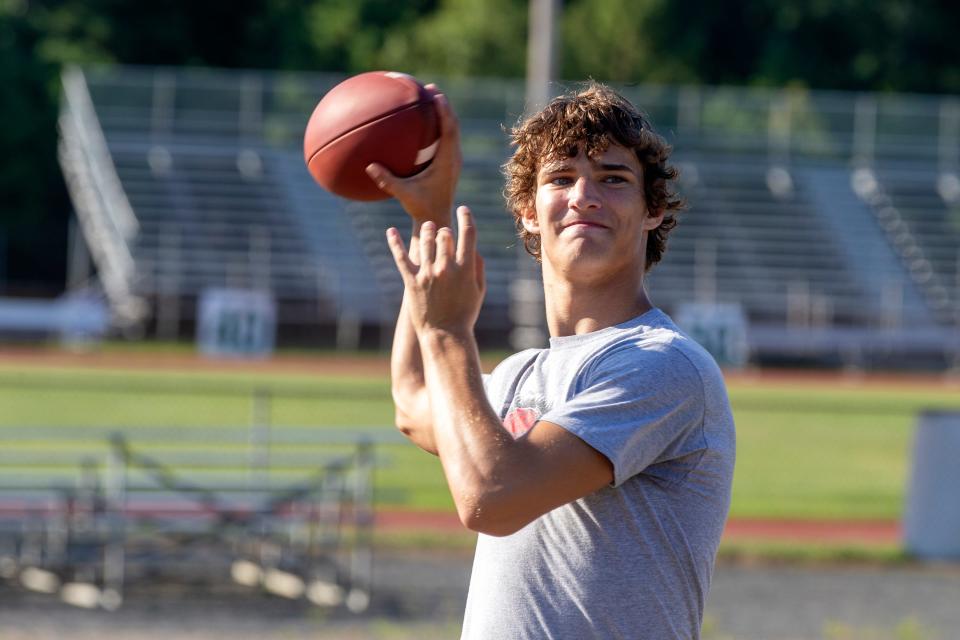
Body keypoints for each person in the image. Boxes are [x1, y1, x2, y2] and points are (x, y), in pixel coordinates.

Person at [365, 82, 736, 640]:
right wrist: (431, 213)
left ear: (653, 209)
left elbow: (493, 497)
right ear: (527, 211)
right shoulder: (520, 373)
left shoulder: (665, 365)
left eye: (613, 179)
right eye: (560, 179)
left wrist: (445, 330)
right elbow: (416, 400)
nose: (584, 195)